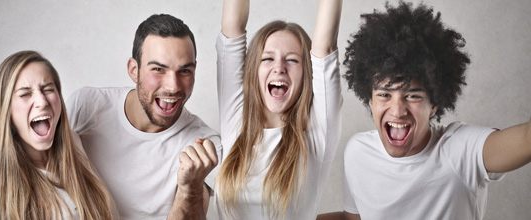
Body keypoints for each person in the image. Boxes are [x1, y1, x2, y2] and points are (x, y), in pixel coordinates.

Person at [317, 1, 531, 219]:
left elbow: (526, 140)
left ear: (434, 104)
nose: (398, 110)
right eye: (384, 95)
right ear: (369, 101)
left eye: (412, 96)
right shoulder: (358, 152)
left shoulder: (460, 150)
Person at [66, 14, 222, 220]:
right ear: (134, 70)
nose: (173, 86)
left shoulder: (204, 144)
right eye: (158, 69)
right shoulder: (86, 106)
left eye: (184, 71)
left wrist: (189, 188)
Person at [0, 50, 115, 220]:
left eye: (48, 89)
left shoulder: (74, 143)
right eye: (25, 94)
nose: (41, 102)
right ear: (6, 110)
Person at [214, 0, 343, 219]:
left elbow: (325, 47)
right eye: (267, 58)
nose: (279, 68)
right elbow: (232, 24)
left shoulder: (317, 134)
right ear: (254, 70)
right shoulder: (236, 118)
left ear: (306, 74)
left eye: (292, 60)